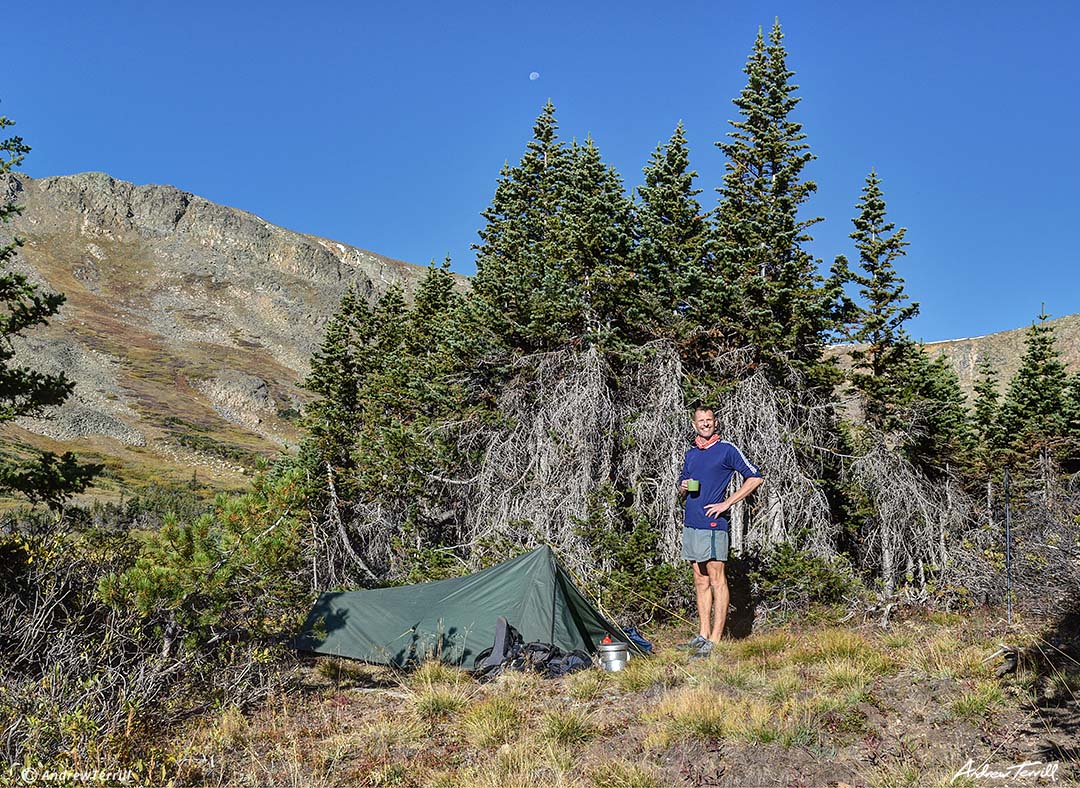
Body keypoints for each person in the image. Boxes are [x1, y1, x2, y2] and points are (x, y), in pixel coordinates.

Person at [677, 405, 763, 656]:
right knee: (700, 579)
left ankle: (715, 640)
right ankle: (702, 636)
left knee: (716, 579)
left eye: (709, 420)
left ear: (716, 423)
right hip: (692, 522)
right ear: (694, 425)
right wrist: (683, 487)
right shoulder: (691, 454)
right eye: (700, 421)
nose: (705, 424)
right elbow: (683, 488)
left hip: (714, 524)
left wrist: (727, 503)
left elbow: (755, 477)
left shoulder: (727, 450)